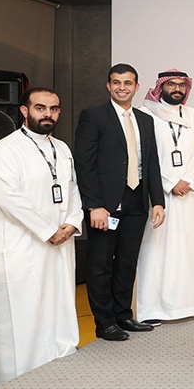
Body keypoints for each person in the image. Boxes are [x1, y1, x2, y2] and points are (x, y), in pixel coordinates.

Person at [0, 88, 82, 386]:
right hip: (21, 248)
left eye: (54, 109)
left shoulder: (62, 149)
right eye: (40, 108)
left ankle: (56, 373)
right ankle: (13, 383)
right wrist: (48, 230)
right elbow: (8, 198)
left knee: (57, 309)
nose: (48, 114)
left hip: (60, 244)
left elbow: (73, 190)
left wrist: (72, 222)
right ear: (25, 111)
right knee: (21, 315)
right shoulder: (5, 150)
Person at [74, 63, 166, 341]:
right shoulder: (93, 117)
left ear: (137, 87)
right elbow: (84, 164)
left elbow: (151, 162)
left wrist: (158, 201)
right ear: (108, 86)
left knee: (127, 262)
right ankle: (104, 323)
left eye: (127, 83)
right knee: (101, 264)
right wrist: (94, 205)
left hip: (136, 201)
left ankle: (123, 315)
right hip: (105, 205)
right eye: (116, 82)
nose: (122, 87)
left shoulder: (145, 120)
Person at [136, 69, 194, 325]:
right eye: (171, 85)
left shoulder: (193, 116)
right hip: (158, 194)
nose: (177, 89)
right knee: (156, 250)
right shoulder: (145, 114)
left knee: (188, 248)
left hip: (188, 193)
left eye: (181, 85)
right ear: (161, 87)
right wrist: (169, 183)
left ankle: (191, 304)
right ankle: (151, 309)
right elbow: (144, 154)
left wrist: (188, 180)